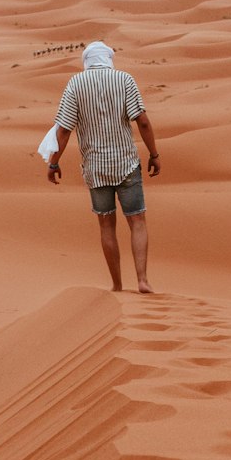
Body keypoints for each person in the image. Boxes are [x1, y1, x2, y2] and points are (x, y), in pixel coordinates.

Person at [47, 40, 160, 293]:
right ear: (109, 59)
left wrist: (53, 162)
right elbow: (142, 121)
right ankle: (142, 280)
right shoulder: (124, 79)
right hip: (126, 163)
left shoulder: (75, 84)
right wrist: (154, 154)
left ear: (86, 61)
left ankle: (117, 285)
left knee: (106, 225)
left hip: (96, 168)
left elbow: (64, 129)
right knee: (137, 220)